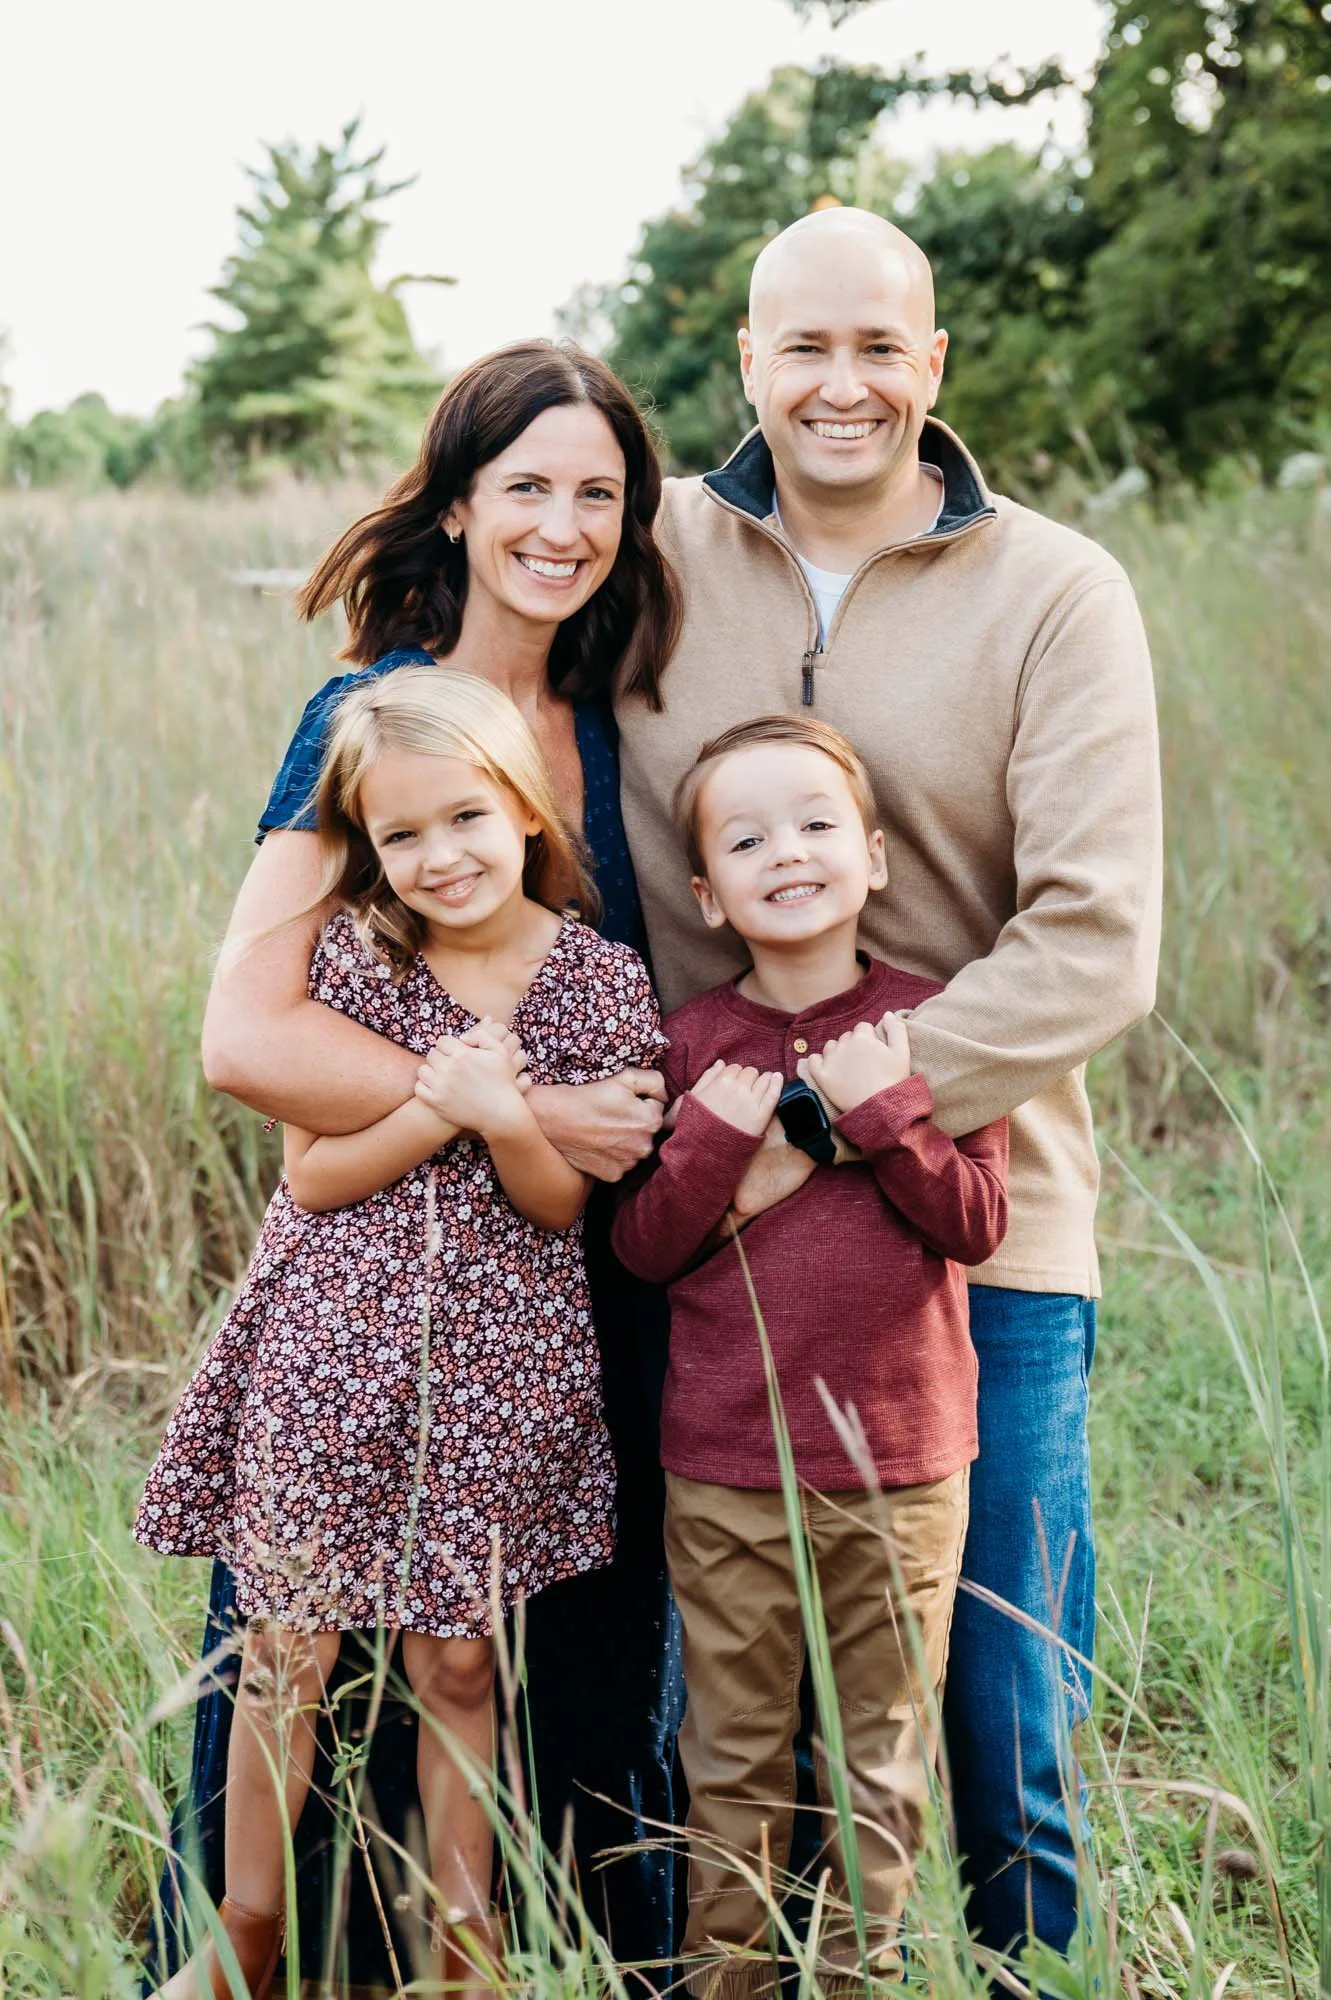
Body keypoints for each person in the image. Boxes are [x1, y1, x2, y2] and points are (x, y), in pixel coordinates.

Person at [615, 208, 1163, 1966]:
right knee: (721, 1739)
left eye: (877, 348)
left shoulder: (1054, 590)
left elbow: (1094, 945)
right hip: (704, 1244)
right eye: (803, 347)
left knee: (997, 1726)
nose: (838, 385)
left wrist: (819, 1119)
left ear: (931, 364)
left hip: (978, 1233)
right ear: (749, 362)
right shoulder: (651, 556)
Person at [152, 342, 683, 1991]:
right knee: (296, 1653)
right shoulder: (368, 719)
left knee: (549, 1673)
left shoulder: (617, 717)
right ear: (455, 505)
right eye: (524, 486)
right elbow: (248, 1037)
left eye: (597, 494)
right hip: (368, 1294)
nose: (560, 526)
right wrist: (513, 1107)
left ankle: (536, 1955)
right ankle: (256, 1948)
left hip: (566, 1301)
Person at [612, 715, 1009, 1994]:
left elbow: (976, 1221)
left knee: (875, 1764)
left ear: (874, 857)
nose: (785, 851)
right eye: (745, 839)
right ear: (703, 895)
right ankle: (726, 1977)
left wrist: (885, 1109)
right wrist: (710, 1142)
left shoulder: (930, 1022)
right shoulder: (689, 1042)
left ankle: (856, 1977)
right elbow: (644, 1246)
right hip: (725, 1467)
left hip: (900, 1465)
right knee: (731, 1754)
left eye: (815, 823)